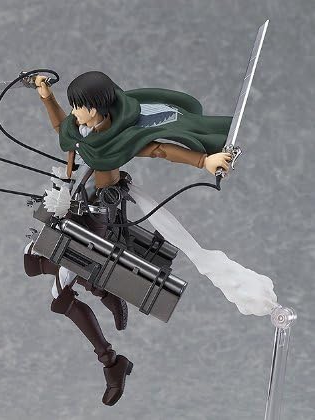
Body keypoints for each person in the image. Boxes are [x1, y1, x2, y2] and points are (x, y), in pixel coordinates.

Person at [24, 71, 232, 406]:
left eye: (79, 106)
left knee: (59, 292)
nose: (74, 113)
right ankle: (102, 290)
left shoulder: (117, 138)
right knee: (32, 259)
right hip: (76, 205)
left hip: (97, 217)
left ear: (96, 108)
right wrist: (46, 95)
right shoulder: (82, 129)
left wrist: (204, 160)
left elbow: (159, 149)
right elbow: (61, 128)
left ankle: (111, 362)